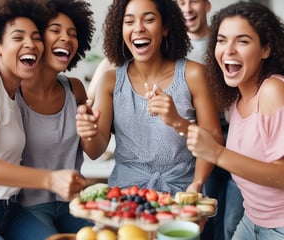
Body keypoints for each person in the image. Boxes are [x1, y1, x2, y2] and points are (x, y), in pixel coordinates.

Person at [0, 0, 84, 239]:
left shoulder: (13, 95)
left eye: (36, 37)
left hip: (10, 210)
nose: (31, 44)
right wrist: (49, 179)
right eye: (18, 37)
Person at [76, 0, 223, 195]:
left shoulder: (194, 74)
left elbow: (213, 139)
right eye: (129, 22)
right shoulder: (109, 81)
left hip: (181, 193)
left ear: (165, 27)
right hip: (125, 195)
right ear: (120, 30)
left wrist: (196, 184)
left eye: (149, 20)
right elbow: (95, 152)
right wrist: (88, 132)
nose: (138, 28)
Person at [186, 1, 284, 239]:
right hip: (252, 221)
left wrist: (217, 154)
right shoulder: (236, 100)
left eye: (242, 41)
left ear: (266, 49)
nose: (228, 50)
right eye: (221, 40)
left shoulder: (272, 90)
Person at [16, 0, 95, 234]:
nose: (66, 38)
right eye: (55, 30)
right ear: (37, 39)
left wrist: (89, 129)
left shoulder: (75, 88)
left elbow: (94, 150)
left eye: (72, 33)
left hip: (74, 204)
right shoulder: (11, 92)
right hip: (26, 209)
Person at [176, 1, 244, 239]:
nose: (187, 8)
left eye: (193, 0)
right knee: (207, 212)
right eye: (180, 2)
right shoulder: (175, 49)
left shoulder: (222, 41)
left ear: (206, 5)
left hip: (236, 130)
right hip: (201, 135)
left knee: (233, 218)